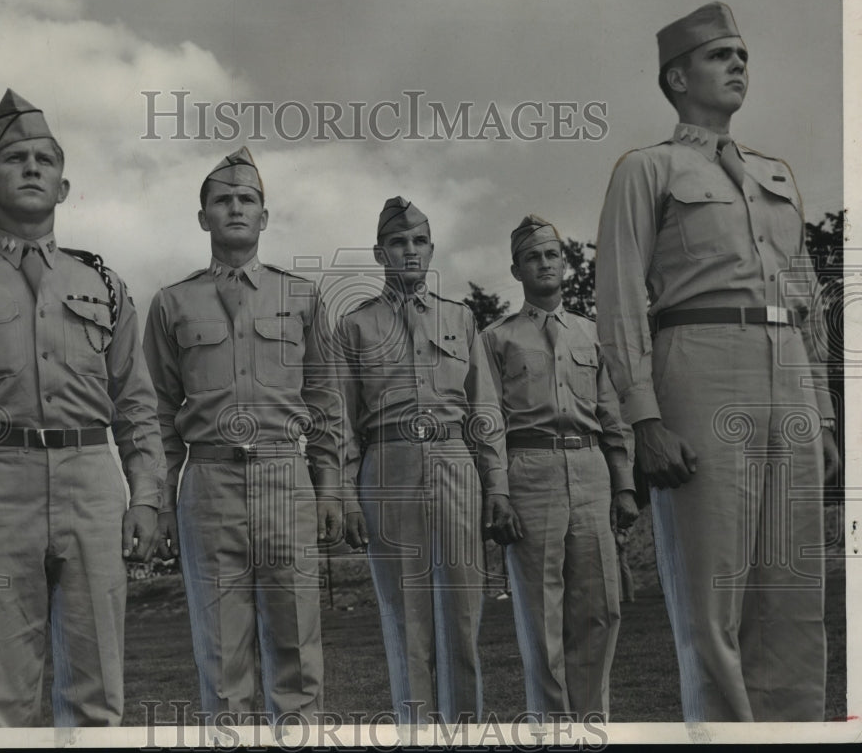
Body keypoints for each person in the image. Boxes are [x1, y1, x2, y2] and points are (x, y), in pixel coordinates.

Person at [595, 2, 839, 721]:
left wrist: (821, 413)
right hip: (698, 368)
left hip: (786, 372)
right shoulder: (648, 169)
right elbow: (617, 301)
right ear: (677, 78)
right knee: (712, 602)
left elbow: (809, 302)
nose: (739, 65)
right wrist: (644, 417)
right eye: (720, 55)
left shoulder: (776, 175)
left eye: (743, 56)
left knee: (794, 596)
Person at [0, 89, 165, 727]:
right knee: (0, 700)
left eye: (46, 158)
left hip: (93, 483)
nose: (33, 167)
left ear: (64, 187)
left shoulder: (104, 285)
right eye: (16, 158)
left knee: (97, 697)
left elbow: (137, 404)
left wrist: (147, 495)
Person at [142, 147, 342, 733]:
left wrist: (330, 489)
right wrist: (157, 501)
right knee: (222, 655)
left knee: (297, 648)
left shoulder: (302, 298)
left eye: (246, 200)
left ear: (264, 216)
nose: (235, 208)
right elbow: (156, 411)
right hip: (207, 482)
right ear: (202, 216)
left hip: (285, 475)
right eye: (222, 200)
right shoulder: (172, 303)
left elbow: (326, 404)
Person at [338, 196, 520, 730]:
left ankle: (464, 733)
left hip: (454, 461)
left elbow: (485, 409)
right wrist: (346, 494)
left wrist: (498, 486)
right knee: (406, 619)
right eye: (398, 242)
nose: (410, 251)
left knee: (462, 618)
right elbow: (342, 422)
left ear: (432, 249)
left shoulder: (460, 318)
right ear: (379, 252)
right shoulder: (355, 326)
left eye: (419, 242)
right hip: (387, 464)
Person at [481, 215, 638, 721]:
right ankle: (551, 728)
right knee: (540, 615)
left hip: (590, 468)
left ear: (564, 263)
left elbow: (613, 417)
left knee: (600, 609)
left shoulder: (592, 335)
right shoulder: (497, 338)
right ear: (516, 268)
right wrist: (498, 490)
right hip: (531, 468)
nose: (544, 263)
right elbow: (488, 421)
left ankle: (593, 724)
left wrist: (624, 487)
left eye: (551, 254)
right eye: (533, 257)